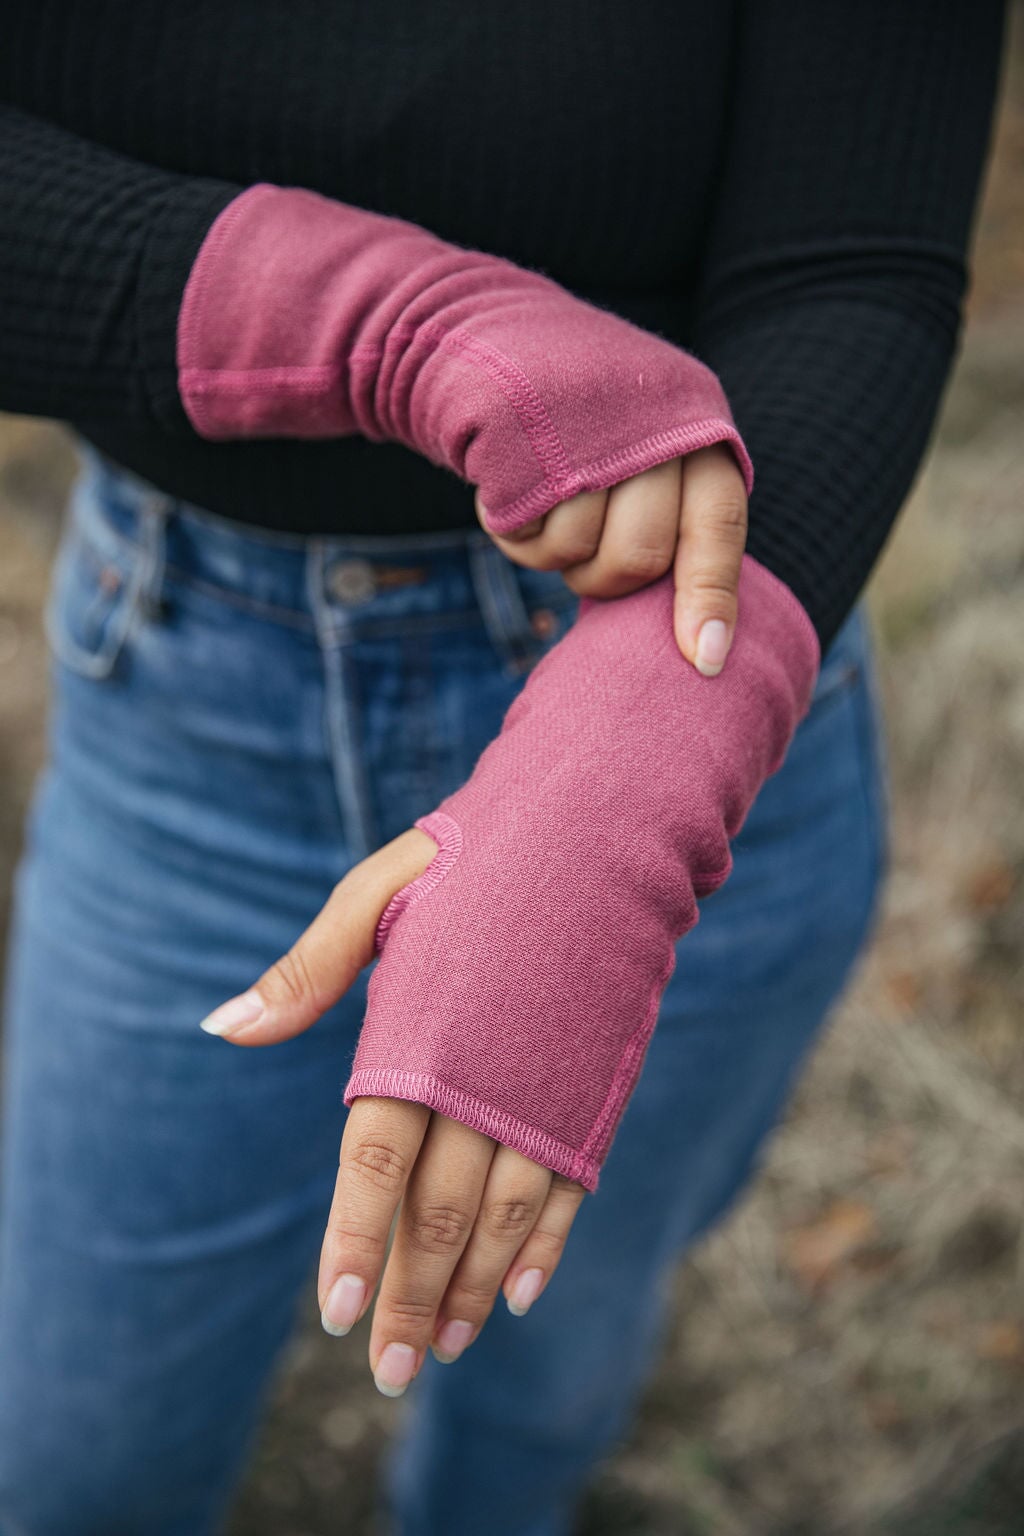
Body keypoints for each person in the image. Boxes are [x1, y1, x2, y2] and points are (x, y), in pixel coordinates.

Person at [0, 3, 1006, 1533]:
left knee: (550, 1369)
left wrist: (616, 795)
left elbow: (854, 261)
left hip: (699, 700)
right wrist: (390, 320)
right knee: (77, 1456)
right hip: (195, 702)